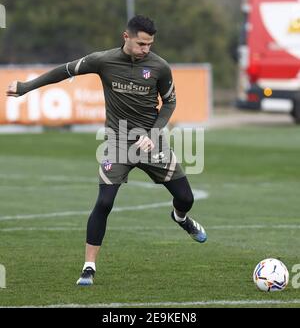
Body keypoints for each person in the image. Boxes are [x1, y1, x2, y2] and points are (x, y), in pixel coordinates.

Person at [6, 15, 207, 286]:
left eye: (149, 44)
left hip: (151, 142)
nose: (146, 49)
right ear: (126, 37)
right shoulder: (103, 61)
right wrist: (26, 88)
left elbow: (169, 103)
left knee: (186, 198)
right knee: (104, 202)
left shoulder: (160, 67)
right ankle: (89, 267)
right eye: (141, 43)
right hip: (116, 142)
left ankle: (180, 218)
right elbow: (64, 71)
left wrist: (153, 133)